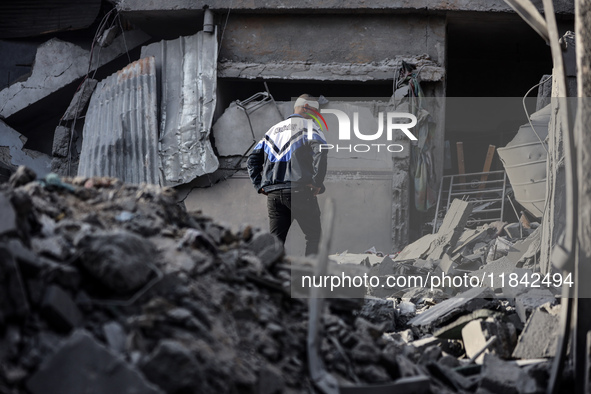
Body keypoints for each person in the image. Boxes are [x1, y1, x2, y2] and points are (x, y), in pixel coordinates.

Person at [247, 94, 328, 256]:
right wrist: (317, 182)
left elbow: (252, 159)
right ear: (306, 107)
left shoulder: (273, 130)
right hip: (300, 192)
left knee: (276, 242)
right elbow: (322, 150)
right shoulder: (309, 126)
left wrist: (259, 185)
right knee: (313, 237)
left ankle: (273, 279)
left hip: (274, 195)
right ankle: (309, 280)